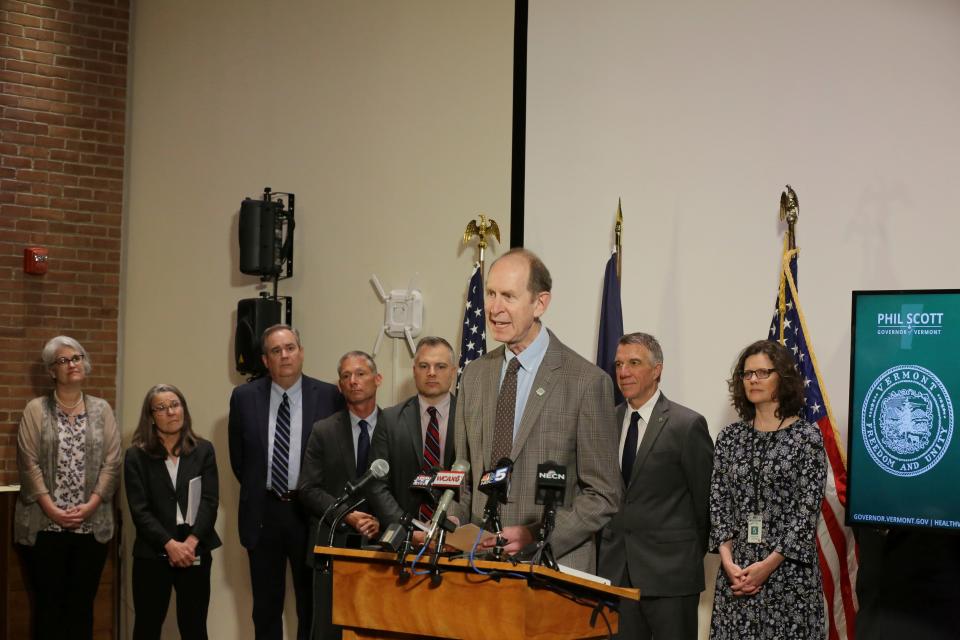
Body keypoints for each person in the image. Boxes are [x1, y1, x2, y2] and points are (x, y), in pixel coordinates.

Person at [453, 248, 622, 572]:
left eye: (508, 296)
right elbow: (465, 478)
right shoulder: (474, 376)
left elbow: (603, 495)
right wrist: (448, 520)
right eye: (490, 293)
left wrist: (535, 534)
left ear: (540, 303)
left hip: (550, 570)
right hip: (476, 569)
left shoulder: (586, 383)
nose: (494, 308)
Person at [228, 324, 342, 640]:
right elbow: (241, 460)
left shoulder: (330, 396)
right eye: (276, 351)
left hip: (309, 513)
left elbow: (335, 459)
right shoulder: (243, 397)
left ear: (301, 352)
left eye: (290, 348)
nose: (285, 355)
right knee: (266, 607)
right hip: (263, 513)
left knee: (311, 606)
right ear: (266, 360)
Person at [598, 332, 714, 640]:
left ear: (657, 370)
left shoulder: (686, 425)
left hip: (671, 577)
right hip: (616, 574)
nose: (623, 372)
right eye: (619, 364)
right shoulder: (605, 422)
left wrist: (681, 555)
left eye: (634, 363)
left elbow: (705, 504)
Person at [709, 339, 826, 640]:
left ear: (782, 378)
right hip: (737, 573)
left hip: (788, 574)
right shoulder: (730, 437)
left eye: (762, 373)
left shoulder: (807, 437)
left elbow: (807, 510)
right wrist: (727, 559)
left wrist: (769, 564)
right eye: (747, 374)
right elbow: (718, 501)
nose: (753, 380)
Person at [14, 335, 121, 640]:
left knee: (81, 607)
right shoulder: (36, 409)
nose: (72, 364)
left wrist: (91, 505)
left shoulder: (102, 410)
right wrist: (52, 509)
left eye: (76, 358)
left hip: (91, 527)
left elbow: (112, 462)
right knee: (48, 607)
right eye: (63, 360)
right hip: (44, 526)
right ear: (51, 370)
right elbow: (29, 463)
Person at [299, 350, 384, 639]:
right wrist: (347, 515)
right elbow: (308, 489)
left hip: (380, 548)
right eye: (346, 376)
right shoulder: (323, 431)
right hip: (331, 547)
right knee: (327, 630)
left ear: (377, 379)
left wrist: (380, 522)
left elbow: (402, 489)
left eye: (360, 373)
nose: (353, 381)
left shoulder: (395, 427)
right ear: (339, 386)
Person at [125, 384, 220, 640]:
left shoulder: (204, 450)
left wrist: (190, 542)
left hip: (195, 546)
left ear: (184, 410)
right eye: (162, 407)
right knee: (147, 625)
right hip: (153, 550)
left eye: (175, 405)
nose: (170, 412)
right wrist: (170, 544)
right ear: (151, 416)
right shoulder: (136, 456)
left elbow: (210, 501)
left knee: (194, 626)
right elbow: (139, 509)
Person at [368, 336, 458, 527]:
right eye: (424, 366)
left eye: (440, 366)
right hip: (403, 534)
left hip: (454, 532)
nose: (431, 373)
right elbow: (377, 484)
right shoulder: (390, 419)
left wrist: (453, 522)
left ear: (453, 371)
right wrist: (406, 527)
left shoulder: (469, 418)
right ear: (414, 370)